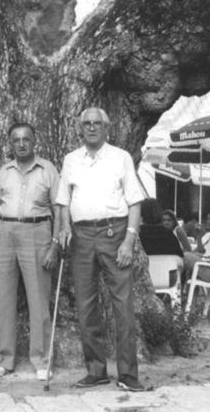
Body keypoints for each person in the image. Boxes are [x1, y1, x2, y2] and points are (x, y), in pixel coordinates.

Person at [56, 107, 145, 392]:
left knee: (122, 305)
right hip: (81, 236)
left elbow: (134, 201)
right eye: (86, 124)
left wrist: (129, 240)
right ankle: (96, 370)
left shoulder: (121, 157)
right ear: (80, 129)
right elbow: (62, 201)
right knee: (86, 305)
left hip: (114, 232)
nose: (92, 128)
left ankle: (128, 374)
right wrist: (64, 227)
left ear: (107, 128)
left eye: (97, 123)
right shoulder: (71, 160)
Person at [0, 122, 60, 381]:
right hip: (6, 233)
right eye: (16, 139)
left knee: (38, 298)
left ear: (34, 141)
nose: (21, 144)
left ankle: (41, 360)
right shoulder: (4, 172)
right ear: (10, 143)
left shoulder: (47, 169)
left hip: (37, 231)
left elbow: (59, 209)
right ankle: (2, 358)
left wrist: (55, 244)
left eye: (26, 139)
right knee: (4, 299)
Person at [183, 206, 210, 277]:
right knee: (182, 256)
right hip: (203, 260)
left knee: (184, 257)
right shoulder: (208, 235)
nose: (208, 221)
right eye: (207, 219)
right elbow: (199, 249)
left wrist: (203, 257)